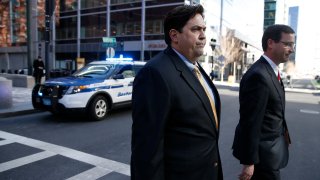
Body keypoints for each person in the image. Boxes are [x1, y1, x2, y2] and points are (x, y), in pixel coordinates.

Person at [131, 5, 223, 180]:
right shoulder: (155, 73)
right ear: (174, 35)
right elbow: (147, 149)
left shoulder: (196, 67)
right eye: (195, 29)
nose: (203, 35)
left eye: (203, 29)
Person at [232, 24, 294, 180]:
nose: (291, 49)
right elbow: (250, 122)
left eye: (292, 45)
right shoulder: (258, 76)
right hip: (262, 158)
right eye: (287, 44)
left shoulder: (271, 71)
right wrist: (249, 162)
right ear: (271, 43)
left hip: (271, 153)